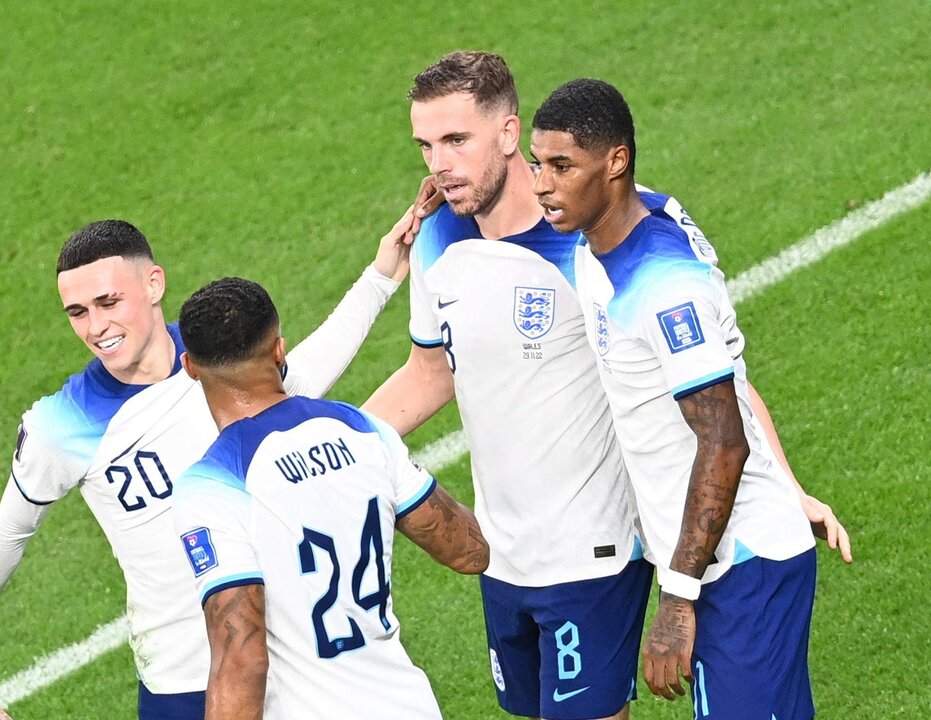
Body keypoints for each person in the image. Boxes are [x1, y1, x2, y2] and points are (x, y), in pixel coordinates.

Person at [0, 216, 413, 719]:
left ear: (154, 283)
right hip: (181, 685)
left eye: (109, 303)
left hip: (286, 667)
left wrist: (380, 276)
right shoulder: (58, 426)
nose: (96, 327)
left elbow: (303, 375)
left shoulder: (217, 358)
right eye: (77, 312)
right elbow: (9, 535)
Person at [530, 78, 826, 718]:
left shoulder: (664, 286)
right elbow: (733, 380)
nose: (541, 185)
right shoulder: (602, 235)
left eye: (561, 166)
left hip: (739, 565)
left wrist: (678, 597)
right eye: (537, 164)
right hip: (716, 558)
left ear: (615, 163)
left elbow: (724, 437)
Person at [171, 277, 488, 718]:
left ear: (189, 365)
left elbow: (242, 659)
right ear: (279, 350)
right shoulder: (363, 429)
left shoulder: (208, 486)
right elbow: (469, 552)